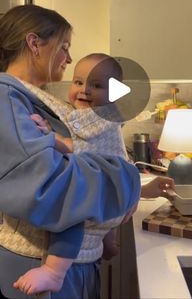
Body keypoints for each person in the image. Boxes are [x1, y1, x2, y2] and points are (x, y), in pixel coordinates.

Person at [0, 5, 141, 299]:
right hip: (37, 263)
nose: (69, 57)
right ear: (34, 43)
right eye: (64, 47)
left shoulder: (37, 99)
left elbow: (80, 157)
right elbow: (53, 187)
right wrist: (128, 182)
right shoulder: (7, 99)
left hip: (74, 262)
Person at [13, 53, 176, 296]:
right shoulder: (95, 116)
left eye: (97, 86)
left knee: (73, 210)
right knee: (95, 205)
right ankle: (108, 241)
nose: (84, 90)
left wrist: (49, 135)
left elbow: (77, 146)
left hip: (100, 190)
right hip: (110, 192)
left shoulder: (100, 119)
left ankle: (53, 271)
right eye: (78, 82)